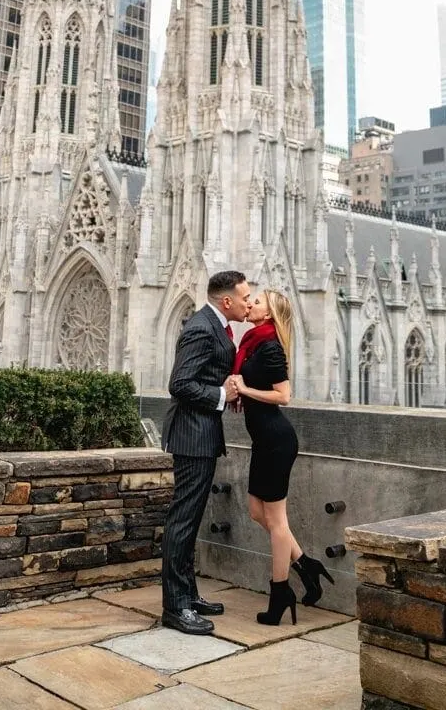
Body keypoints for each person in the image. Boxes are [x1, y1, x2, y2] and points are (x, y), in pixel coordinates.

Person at [230, 288, 334, 625]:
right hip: (263, 440)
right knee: (257, 512)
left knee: (276, 521)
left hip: (276, 440)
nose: (251, 303)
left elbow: (284, 395)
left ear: (271, 314)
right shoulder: (254, 342)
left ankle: (280, 593)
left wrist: (244, 390)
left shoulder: (271, 345)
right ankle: (306, 565)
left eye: (257, 301)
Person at [160, 269, 251, 635]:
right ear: (226, 300)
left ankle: (188, 594)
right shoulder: (201, 327)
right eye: (245, 297)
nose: (249, 303)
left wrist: (224, 385)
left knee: (190, 519)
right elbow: (180, 384)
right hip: (191, 436)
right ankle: (176, 607)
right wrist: (220, 395)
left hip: (200, 434)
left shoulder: (211, 325)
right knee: (182, 521)